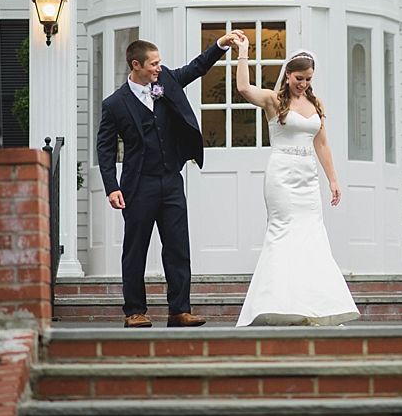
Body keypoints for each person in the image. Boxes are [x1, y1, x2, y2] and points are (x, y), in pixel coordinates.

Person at [96, 33, 243, 328]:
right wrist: (112, 186)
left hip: (171, 180)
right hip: (138, 185)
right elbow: (106, 147)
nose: (158, 68)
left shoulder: (167, 82)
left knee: (177, 246)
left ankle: (179, 309)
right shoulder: (115, 104)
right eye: (153, 64)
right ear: (135, 65)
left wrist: (221, 45)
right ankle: (135, 311)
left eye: (160, 63)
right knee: (135, 248)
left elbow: (197, 67)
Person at [232, 37, 360, 327]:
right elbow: (243, 88)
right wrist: (243, 53)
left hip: (308, 177)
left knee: (312, 235)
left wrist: (333, 180)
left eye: (308, 79)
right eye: (299, 78)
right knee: (283, 233)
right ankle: (278, 303)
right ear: (288, 74)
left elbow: (323, 143)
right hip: (281, 175)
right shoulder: (274, 101)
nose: (303, 83)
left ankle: (314, 305)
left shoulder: (316, 103)